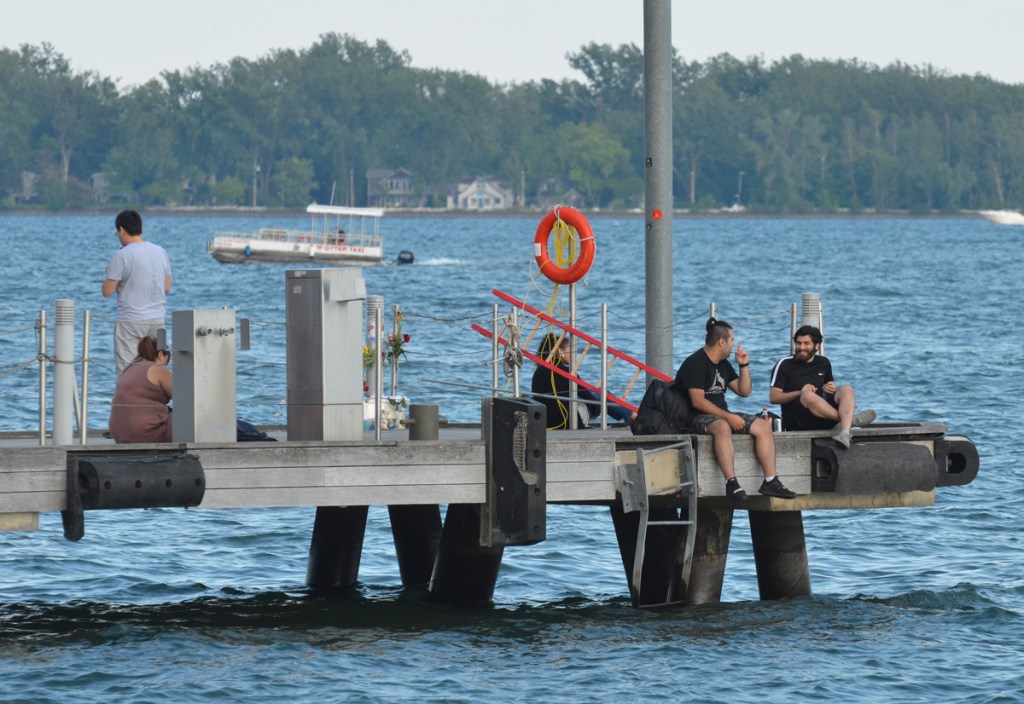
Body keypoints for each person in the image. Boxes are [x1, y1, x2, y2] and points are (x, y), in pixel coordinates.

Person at [676, 318, 796, 501]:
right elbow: (698, 402)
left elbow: (744, 391)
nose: (733, 344)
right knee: (723, 426)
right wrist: (729, 418)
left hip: (720, 415)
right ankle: (731, 483)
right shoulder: (695, 363)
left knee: (763, 427)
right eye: (732, 340)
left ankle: (770, 481)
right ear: (721, 341)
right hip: (694, 417)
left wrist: (744, 365)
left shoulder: (723, 364)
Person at [769, 325, 876, 449]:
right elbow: (773, 397)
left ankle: (845, 434)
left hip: (823, 417)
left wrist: (831, 390)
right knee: (808, 395)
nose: (801, 347)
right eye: (798, 343)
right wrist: (800, 392)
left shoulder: (824, 363)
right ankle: (850, 421)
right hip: (797, 421)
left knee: (846, 389)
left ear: (817, 346)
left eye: (806, 343)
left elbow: (828, 391)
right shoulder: (784, 364)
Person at [103, 210, 172, 376]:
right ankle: (155, 400)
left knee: (127, 371)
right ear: (141, 228)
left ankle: (129, 401)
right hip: (157, 319)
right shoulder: (160, 251)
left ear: (121, 230)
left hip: (131, 321)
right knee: (158, 367)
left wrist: (109, 273)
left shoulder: (122, 255)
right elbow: (167, 287)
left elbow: (107, 291)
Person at [530, 332, 635, 430]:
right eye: (570, 350)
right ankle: (634, 417)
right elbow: (591, 401)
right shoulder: (566, 372)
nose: (572, 354)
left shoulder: (538, 371)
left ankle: (631, 416)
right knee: (602, 394)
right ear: (560, 352)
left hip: (546, 421)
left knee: (595, 393)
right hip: (568, 421)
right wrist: (596, 410)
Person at [108, 336, 173, 443]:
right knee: (188, 416)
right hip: (145, 433)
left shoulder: (129, 368)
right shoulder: (157, 368)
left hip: (119, 434)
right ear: (161, 355)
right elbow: (183, 396)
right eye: (166, 362)